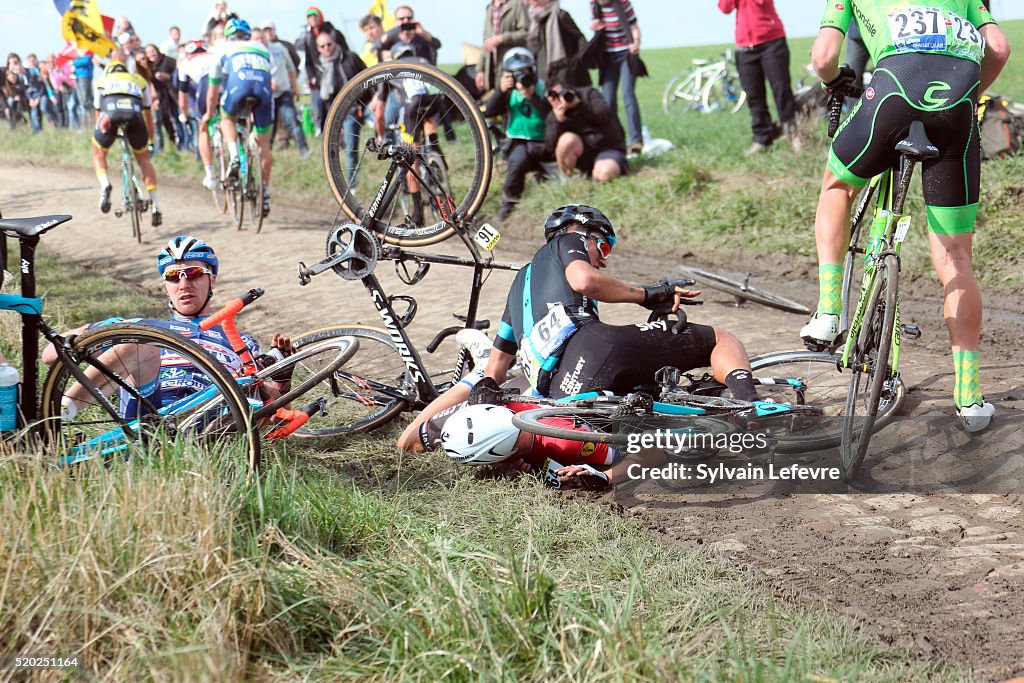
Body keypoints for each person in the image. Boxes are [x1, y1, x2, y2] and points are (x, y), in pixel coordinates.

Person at [800, 2, 1010, 432]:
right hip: (957, 101)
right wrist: (971, 96)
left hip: (895, 90)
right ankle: (969, 400)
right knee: (956, 258)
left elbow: (823, 57)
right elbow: (999, 48)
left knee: (836, 187)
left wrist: (832, 81)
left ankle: (827, 313)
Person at [483, 204, 761, 403]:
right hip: (591, 350)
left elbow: (493, 370)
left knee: (648, 391)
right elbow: (584, 280)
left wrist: (453, 409)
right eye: (603, 247)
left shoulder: (520, 284)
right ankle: (752, 408)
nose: (604, 260)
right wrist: (647, 294)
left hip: (558, 391)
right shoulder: (571, 237)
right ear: (581, 233)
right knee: (720, 339)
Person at [43, 235, 294, 421]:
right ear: (165, 285)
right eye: (173, 276)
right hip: (148, 410)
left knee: (245, 396)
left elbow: (269, 407)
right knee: (141, 345)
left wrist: (283, 380)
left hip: (211, 418)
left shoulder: (241, 340)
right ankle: (59, 414)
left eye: (194, 273)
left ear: (212, 279)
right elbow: (50, 355)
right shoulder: (143, 328)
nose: (184, 283)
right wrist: (100, 331)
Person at [206, 18, 274, 216]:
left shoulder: (223, 48)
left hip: (238, 88)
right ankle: (266, 193)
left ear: (228, 36)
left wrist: (209, 113)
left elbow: (212, 91)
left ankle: (235, 155)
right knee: (264, 144)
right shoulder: (261, 47)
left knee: (226, 119)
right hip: (263, 91)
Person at [717, 0, 798, 155]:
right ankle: (762, 138)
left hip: (772, 43)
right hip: (744, 48)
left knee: (781, 90)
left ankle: (793, 133)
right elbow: (724, 8)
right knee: (753, 96)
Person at [482, 47, 552, 219]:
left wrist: (531, 96)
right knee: (517, 163)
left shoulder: (544, 87)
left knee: (556, 176)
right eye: (515, 73)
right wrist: (500, 90)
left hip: (545, 142)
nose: (521, 77)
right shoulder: (508, 92)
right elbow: (489, 111)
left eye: (524, 71)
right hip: (519, 142)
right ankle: (509, 204)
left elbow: (550, 116)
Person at [91, 60, 162, 226]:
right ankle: (156, 206)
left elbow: (98, 114)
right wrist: (150, 140)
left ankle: (105, 185)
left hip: (110, 115)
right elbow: (149, 117)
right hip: (135, 116)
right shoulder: (138, 80)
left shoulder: (102, 81)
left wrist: (104, 136)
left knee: (99, 153)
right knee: (144, 159)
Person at [544, 78, 626, 182]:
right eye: (554, 97)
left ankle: (597, 174)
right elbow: (550, 147)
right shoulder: (555, 115)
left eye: (561, 94)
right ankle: (567, 180)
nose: (560, 100)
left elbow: (604, 118)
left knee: (605, 173)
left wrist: (580, 106)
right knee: (566, 140)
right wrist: (558, 121)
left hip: (607, 148)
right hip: (584, 154)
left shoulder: (589, 95)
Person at [590, 0, 643, 154]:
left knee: (628, 94)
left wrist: (636, 42)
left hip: (626, 54)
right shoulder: (594, 5)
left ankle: (635, 141)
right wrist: (593, 25)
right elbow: (596, 26)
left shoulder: (623, 3)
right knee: (608, 101)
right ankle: (616, 139)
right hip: (608, 57)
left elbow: (634, 27)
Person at [259, 20, 310, 159]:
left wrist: (295, 86)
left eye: (270, 30)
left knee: (293, 121)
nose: (267, 33)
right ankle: (265, 155)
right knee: (268, 129)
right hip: (266, 96)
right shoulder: (256, 50)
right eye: (265, 31)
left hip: (283, 92)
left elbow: (291, 68)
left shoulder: (280, 48)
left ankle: (304, 151)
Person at [296, 6, 347, 133]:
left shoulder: (333, 32)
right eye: (309, 16)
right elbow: (308, 61)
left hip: (336, 74)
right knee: (320, 106)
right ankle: (324, 132)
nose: (312, 19)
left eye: (315, 16)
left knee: (339, 104)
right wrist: (312, 77)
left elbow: (345, 53)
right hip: (318, 77)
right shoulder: (308, 37)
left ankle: (342, 130)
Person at [176, 40, 218, 189]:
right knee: (229, 120)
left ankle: (210, 174)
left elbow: (183, 98)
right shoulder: (215, 54)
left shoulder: (185, 63)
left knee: (203, 128)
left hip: (206, 86)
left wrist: (185, 114)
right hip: (224, 82)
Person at [525, 0, 590, 88]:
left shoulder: (561, 15)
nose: (532, 2)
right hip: (543, 72)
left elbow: (580, 38)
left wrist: (577, 60)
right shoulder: (535, 20)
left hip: (564, 70)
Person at [475, 0, 531, 95]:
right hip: (494, 71)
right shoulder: (489, 8)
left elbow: (527, 33)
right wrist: (480, 70)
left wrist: (502, 38)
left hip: (514, 69)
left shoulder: (517, 4)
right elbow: (486, 42)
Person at [144, 44, 185, 152]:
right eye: (148, 53)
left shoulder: (167, 60)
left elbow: (179, 74)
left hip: (174, 94)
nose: (151, 54)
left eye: (153, 51)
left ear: (157, 51)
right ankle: (172, 142)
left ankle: (183, 144)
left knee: (178, 118)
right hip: (162, 97)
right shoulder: (150, 67)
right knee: (164, 119)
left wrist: (167, 76)